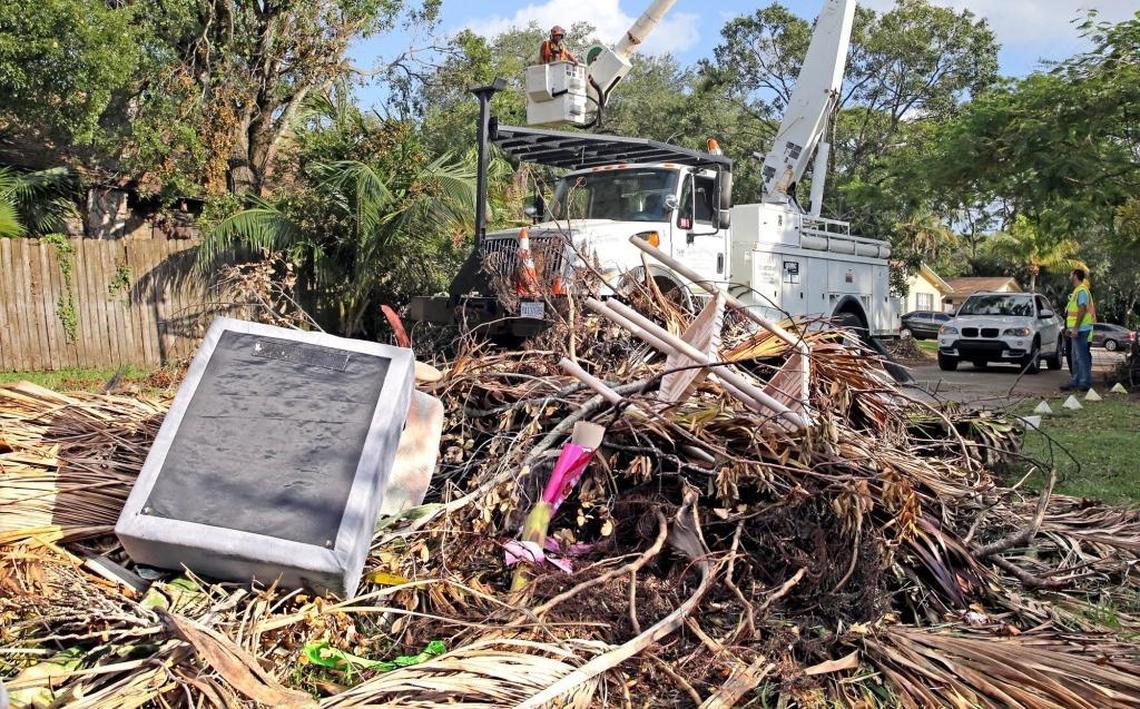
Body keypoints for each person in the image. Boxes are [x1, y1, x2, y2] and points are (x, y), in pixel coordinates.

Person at [1061, 268, 1096, 392]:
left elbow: (1082, 309)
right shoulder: (1077, 290)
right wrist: (1069, 328)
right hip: (1076, 330)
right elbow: (1072, 313)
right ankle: (1075, 380)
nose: (1070, 277)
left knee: (1082, 357)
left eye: (1071, 274)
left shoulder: (1081, 290)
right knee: (1075, 357)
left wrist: (1075, 328)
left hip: (1081, 329)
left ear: (1076, 276)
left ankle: (1084, 383)